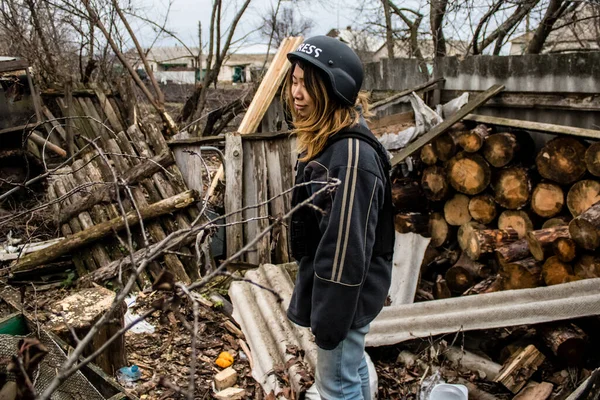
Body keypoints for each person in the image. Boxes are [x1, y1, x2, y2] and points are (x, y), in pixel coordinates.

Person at [284, 35, 395, 400]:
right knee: (352, 367)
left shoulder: (348, 157)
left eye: (307, 85)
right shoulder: (331, 143)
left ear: (333, 90)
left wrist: (330, 321)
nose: (295, 93)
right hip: (343, 295)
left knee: (336, 386)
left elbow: (345, 251)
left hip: (344, 296)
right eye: (294, 81)